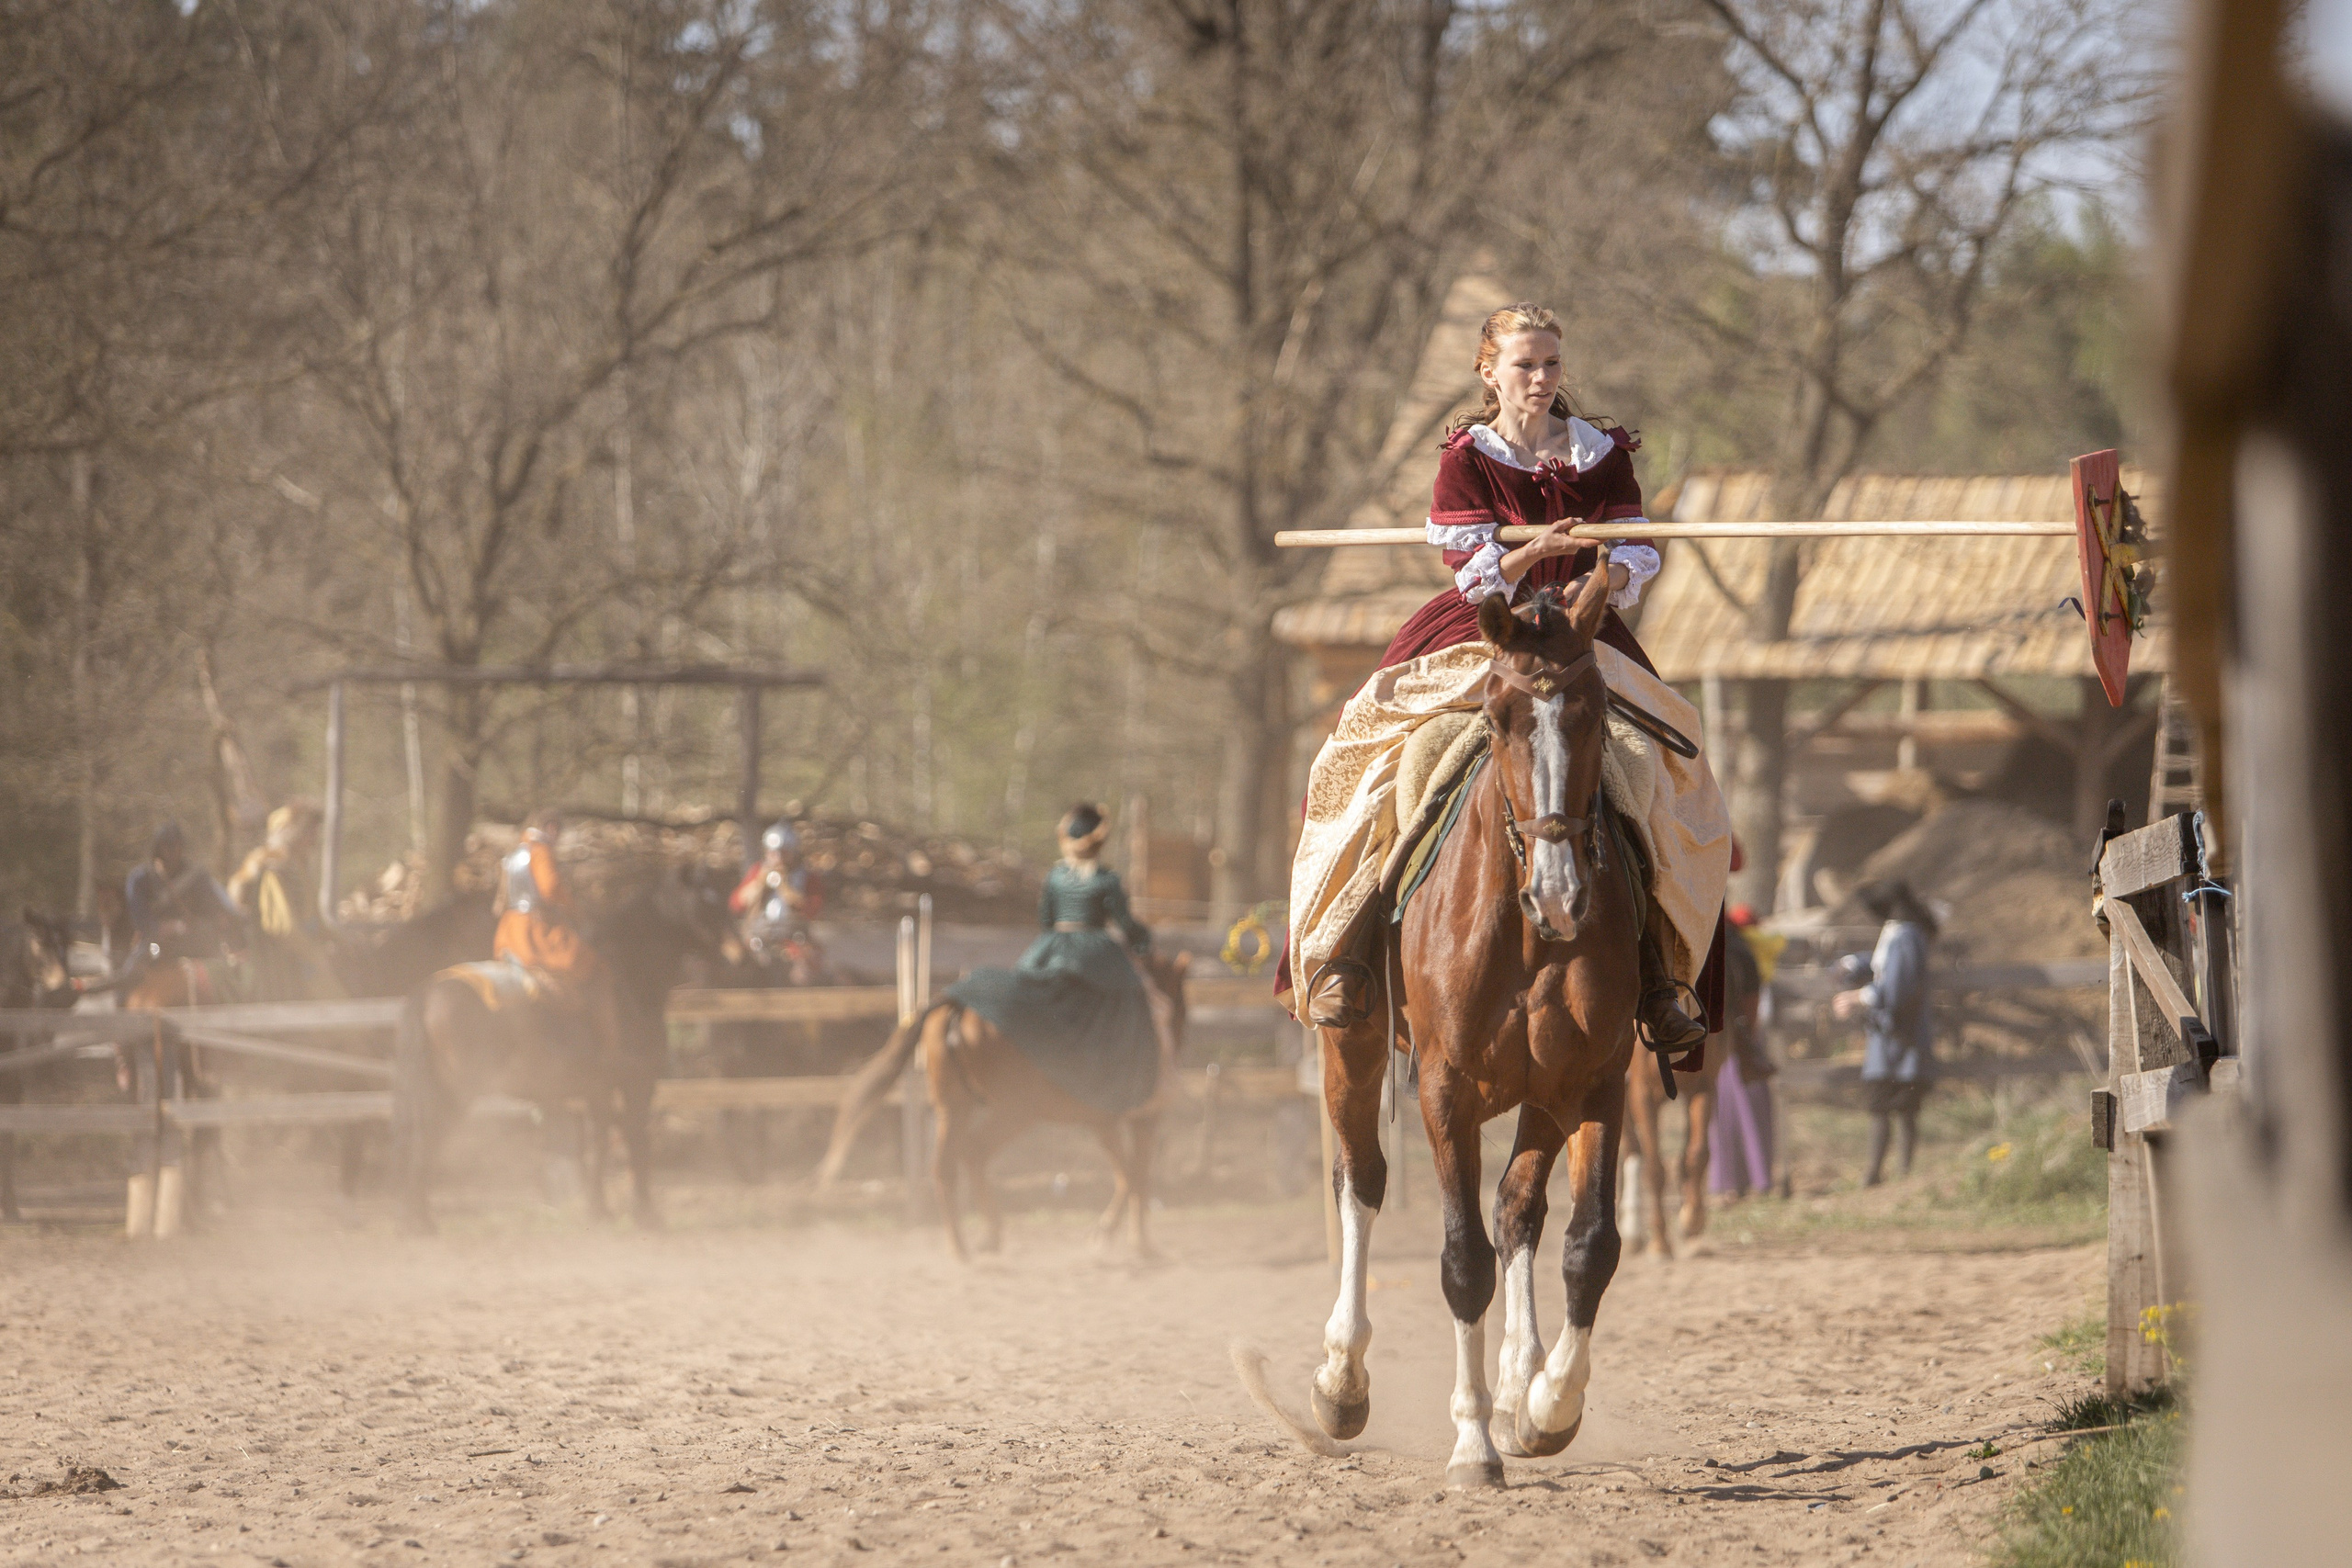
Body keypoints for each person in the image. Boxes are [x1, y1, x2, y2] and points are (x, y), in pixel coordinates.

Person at [1286, 302, 1732, 1060]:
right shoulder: (1467, 456)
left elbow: (1639, 553)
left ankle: (1661, 973)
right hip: (1485, 631)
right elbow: (1471, 575)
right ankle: (1348, 951)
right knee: (1374, 762)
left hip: (1583, 634)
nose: (1541, 378)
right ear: (1489, 370)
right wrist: (1531, 555)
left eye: (1552, 363)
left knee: (1668, 766)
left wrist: (1605, 570)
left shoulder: (1603, 453)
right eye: (1525, 364)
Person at [943, 804, 1162, 1114]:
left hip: (1051, 947)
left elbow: (1045, 917)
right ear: (1101, 841)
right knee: (1131, 998)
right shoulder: (1107, 879)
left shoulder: (1055, 877)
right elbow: (1125, 923)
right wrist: (1143, 942)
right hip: (1095, 950)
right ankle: (1118, 1084)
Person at [1832, 879, 1939, 1185]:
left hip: (1901, 1035)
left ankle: (1897, 1174)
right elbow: (1884, 965)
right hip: (1892, 1037)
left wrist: (1857, 997)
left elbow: (1897, 988)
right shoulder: (1902, 932)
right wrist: (1854, 963)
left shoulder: (1906, 936)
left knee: (1900, 1105)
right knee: (1883, 1103)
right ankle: (1879, 1172)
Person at [493, 810, 622, 1062]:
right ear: (551, 827)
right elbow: (550, 888)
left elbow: (498, 905)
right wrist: (571, 908)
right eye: (559, 831)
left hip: (509, 934)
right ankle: (608, 1048)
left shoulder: (513, 855)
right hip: (535, 933)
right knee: (593, 966)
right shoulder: (540, 851)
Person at [227, 803, 331, 996]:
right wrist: (315, 955)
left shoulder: (300, 868)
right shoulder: (274, 871)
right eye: (309, 831)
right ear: (293, 833)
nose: (313, 838)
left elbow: (315, 916)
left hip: (306, 953)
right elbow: (284, 928)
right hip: (282, 964)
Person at [124, 821, 243, 973]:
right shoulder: (140, 879)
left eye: (176, 846)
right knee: (130, 974)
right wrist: (169, 927)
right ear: (158, 848)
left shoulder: (196, 877)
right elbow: (140, 919)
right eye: (167, 846)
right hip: (155, 942)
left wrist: (204, 923)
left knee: (223, 971)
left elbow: (213, 907)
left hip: (194, 941)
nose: (172, 851)